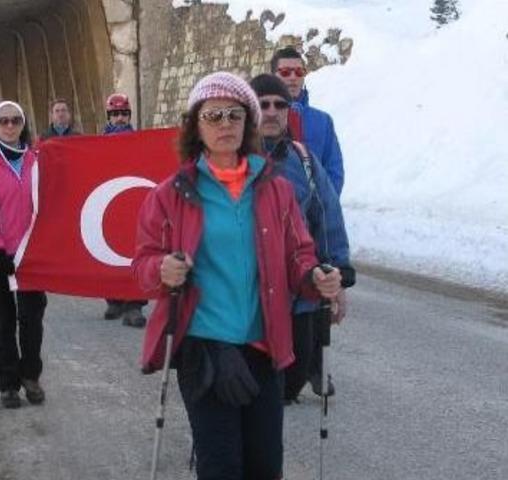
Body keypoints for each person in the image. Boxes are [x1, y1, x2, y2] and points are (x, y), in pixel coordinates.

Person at [132, 71, 343, 480]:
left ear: (247, 122)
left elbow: (298, 253)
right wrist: (162, 269)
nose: (225, 124)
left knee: (265, 466)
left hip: (264, 345)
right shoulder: (171, 194)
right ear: (195, 126)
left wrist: (315, 276)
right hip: (205, 349)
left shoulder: (275, 188)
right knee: (222, 467)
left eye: (234, 114)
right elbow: (141, 266)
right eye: (213, 116)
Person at [250, 73, 356, 402]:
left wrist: (337, 273)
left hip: (298, 290)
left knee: (290, 381)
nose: (271, 111)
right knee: (243, 383)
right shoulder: (228, 159)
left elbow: (326, 217)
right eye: (262, 104)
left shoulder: (304, 160)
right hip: (245, 293)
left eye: (279, 104)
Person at [0, 100, 47, 409]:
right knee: (2, 320)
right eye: (3, 121)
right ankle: (8, 383)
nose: (10, 126)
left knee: (32, 318)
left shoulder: (36, 160)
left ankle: (30, 375)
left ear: (23, 124)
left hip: (30, 252)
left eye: (16, 120)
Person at [100, 92, 147, 328]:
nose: (120, 118)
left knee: (136, 253)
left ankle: (135, 305)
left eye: (123, 114)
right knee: (110, 251)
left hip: (134, 205)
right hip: (109, 205)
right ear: (109, 117)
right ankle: (114, 299)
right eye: (115, 114)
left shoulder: (140, 142)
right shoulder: (98, 145)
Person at [272, 46, 345, 194]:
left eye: (299, 72)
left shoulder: (323, 122)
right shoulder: (259, 119)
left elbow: (334, 172)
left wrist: (321, 208)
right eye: (285, 72)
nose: (293, 77)